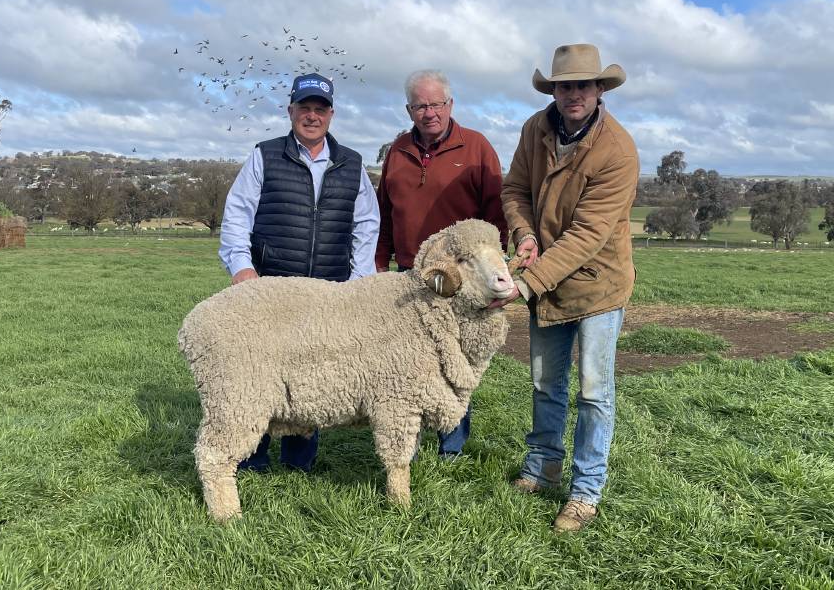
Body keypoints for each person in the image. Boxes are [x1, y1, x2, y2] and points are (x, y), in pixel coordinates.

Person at [499, 44, 639, 532]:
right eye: (564, 85)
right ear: (553, 90)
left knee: (595, 391)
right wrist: (525, 234)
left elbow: (586, 236)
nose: (573, 94)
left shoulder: (617, 150)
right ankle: (543, 465)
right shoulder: (534, 129)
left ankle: (585, 491)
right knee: (544, 382)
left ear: (600, 90)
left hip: (598, 285)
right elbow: (514, 189)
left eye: (583, 85)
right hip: (548, 282)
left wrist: (526, 283)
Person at [218, 72, 380, 472]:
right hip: (269, 290)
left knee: (313, 375)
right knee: (259, 373)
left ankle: (299, 462)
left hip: (327, 291)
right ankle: (251, 458)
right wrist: (242, 270)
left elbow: (366, 224)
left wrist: (357, 283)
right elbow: (237, 216)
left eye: (319, 109)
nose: (312, 116)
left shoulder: (352, 164)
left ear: (331, 114)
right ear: (290, 111)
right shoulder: (265, 155)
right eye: (304, 108)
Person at [375, 69, 508, 459]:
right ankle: (407, 441)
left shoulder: (478, 148)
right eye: (420, 105)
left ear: (450, 104)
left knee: (457, 358)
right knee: (407, 362)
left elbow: (495, 217)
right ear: (409, 109)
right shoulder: (397, 151)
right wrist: (380, 259)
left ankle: (452, 444)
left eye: (436, 104)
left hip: (461, 280)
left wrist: (491, 271)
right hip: (410, 276)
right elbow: (386, 212)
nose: (429, 112)